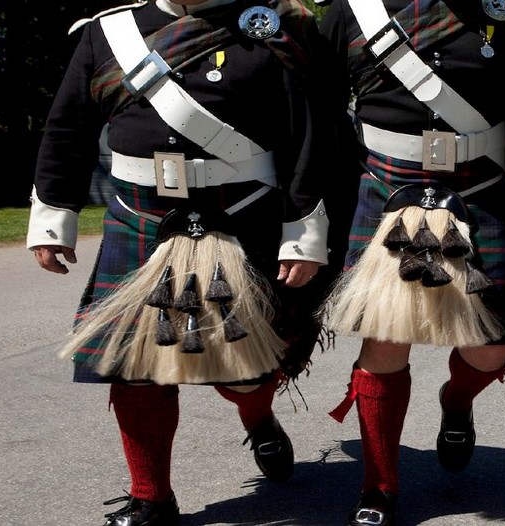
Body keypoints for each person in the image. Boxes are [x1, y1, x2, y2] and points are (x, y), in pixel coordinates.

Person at [26, 1, 335, 524]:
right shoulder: (108, 33)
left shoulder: (269, 29)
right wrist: (53, 220)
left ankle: (258, 417)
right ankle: (152, 498)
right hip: (140, 214)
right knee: (135, 369)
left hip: (241, 214)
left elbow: (307, 136)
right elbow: (68, 128)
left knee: (244, 370)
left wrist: (302, 234)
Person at [316, 1, 505, 524]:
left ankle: (456, 401)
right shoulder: (350, 12)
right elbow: (320, 115)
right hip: (385, 186)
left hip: (483, 188)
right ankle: (378, 488)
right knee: (384, 341)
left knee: (490, 350)